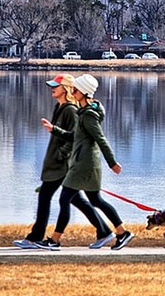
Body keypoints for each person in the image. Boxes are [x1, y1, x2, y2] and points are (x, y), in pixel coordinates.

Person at [42, 73, 135, 250]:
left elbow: (101, 139)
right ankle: (122, 233)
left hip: (85, 165)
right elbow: (74, 136)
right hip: (82, 163)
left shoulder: (88, 116)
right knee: (96, 200)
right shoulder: (83, 113)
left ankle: (54, 241)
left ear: (83, 92)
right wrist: (54, 129)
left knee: (65, 199)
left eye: (75, 89)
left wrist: (112, 163)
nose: (72, 91)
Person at [13, 73, 85, 249]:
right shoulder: (59, 107)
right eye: (52, 85)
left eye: (56, 85)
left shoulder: (70, 110)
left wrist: (62, 155)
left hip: (61, 164)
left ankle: (36, 237)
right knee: (77, 200)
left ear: (66, 88)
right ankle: (105, 231)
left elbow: (75, 138)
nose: (52, 88)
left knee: (46, 196)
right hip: (56, 163)